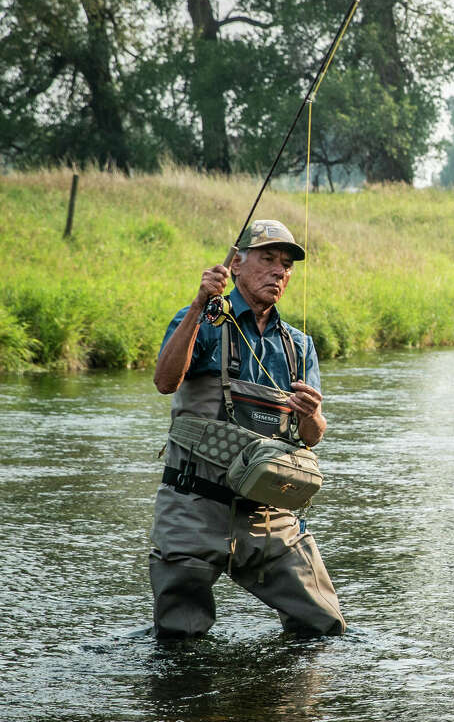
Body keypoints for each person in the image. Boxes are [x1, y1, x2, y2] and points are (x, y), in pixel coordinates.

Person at [148, 219, 345, 638]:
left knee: (323, 627)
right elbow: (165, 382)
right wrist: (201, 303)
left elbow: (312, 436)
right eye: (268, 259)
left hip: (269, 516)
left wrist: (311, 415)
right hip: (193, 508)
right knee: (178, 640)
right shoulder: (199, 320)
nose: (279, 271)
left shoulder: (299, 345)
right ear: (236, 264)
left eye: (287, 265)